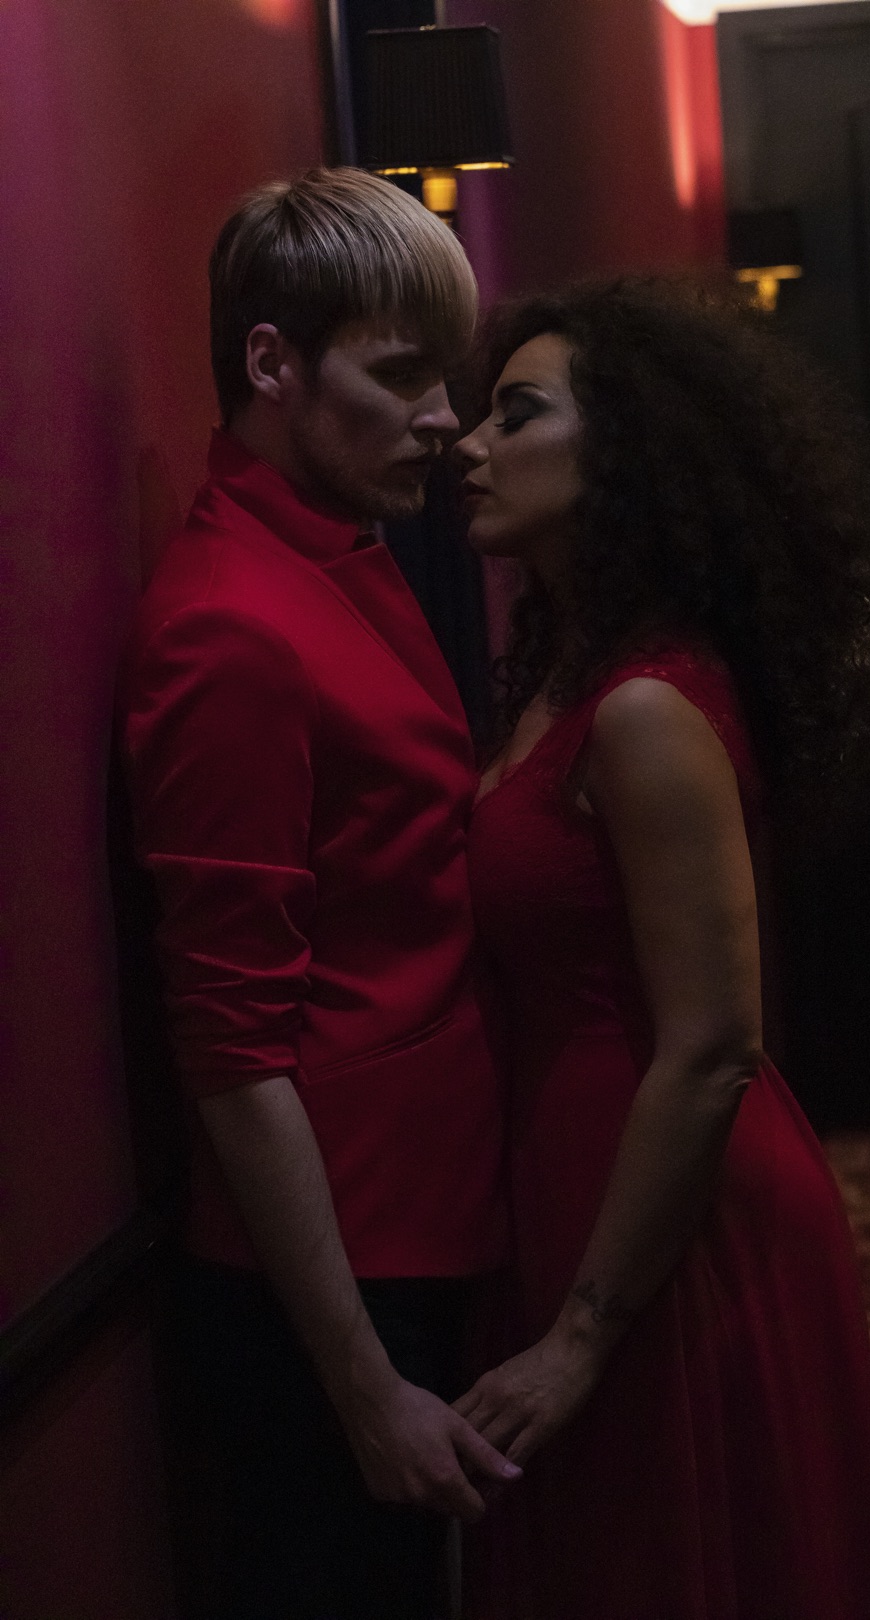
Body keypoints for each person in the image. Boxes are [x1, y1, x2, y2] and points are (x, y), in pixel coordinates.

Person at [453, 277, 870, 1619]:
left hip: (673, 1220)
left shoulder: (644, 704)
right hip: (584, 1187)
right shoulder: (567, 674)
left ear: (627, 453)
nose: (471, 445)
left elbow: (714, 1045)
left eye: (517, 416)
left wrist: (582, 1331)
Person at [117, 167, 520, 1620]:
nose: (443, 418)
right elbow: (231, 1048)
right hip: (332, 1284)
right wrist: (362, 1383)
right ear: (272, 362)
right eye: (401, 376)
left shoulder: (338, 554)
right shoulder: (230, 624)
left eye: (447, 379)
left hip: (418, 1225)